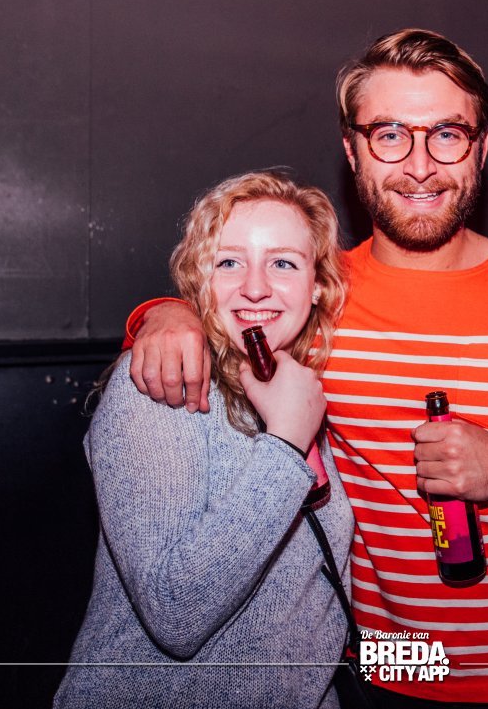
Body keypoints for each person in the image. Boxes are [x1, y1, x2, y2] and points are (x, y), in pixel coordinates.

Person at [125, 29, 488, 707]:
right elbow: (234, 304)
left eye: (447, 134)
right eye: (389, 135)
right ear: (353, 150)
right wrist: (167, 313)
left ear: (481, 148)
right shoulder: (318, 291)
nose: (419, 166)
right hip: (389, 668)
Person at [55, 171, 353, 709]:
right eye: (229, 262)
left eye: (283, 263)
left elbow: (312, 603)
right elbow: (176, 613)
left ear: (317, 285)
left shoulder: (302, 389)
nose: (256, 287)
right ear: (200, 279)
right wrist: (286, 444)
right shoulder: (160, 387)